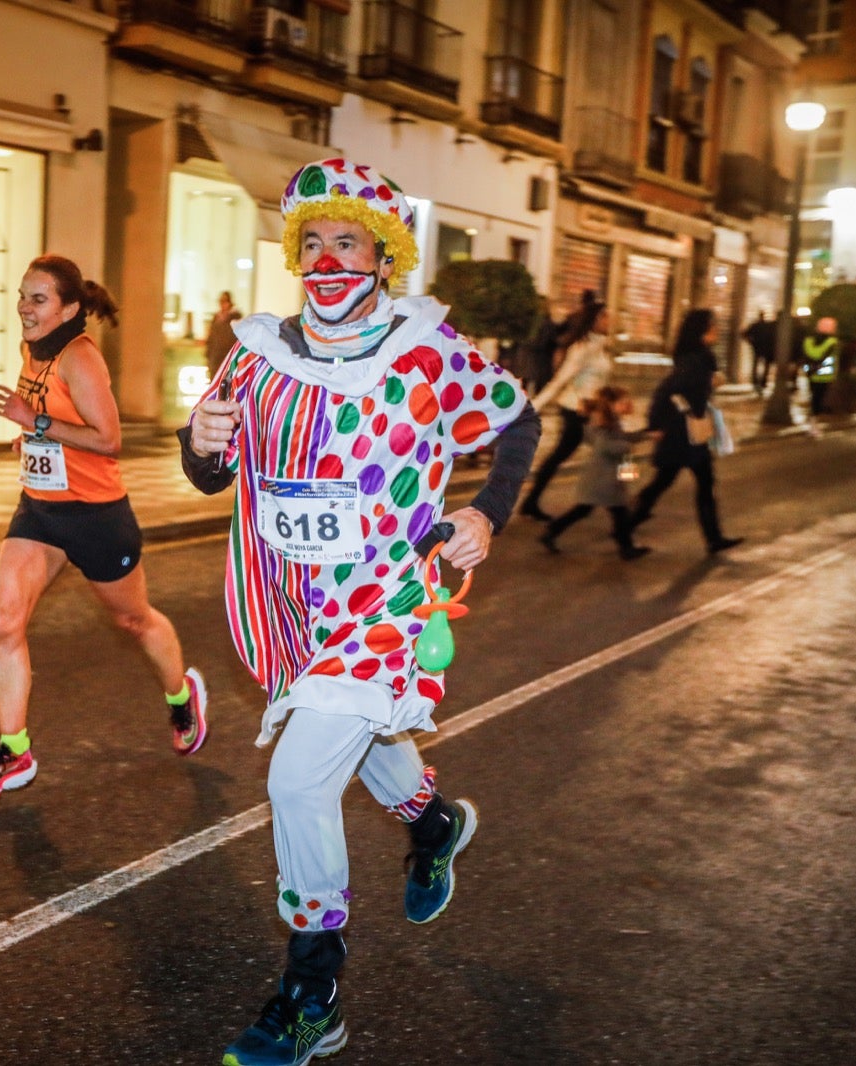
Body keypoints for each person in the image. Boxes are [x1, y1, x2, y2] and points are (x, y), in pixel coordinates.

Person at [182, 158, 539, 1066]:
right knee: (372, 738)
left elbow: (517, 420)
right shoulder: (258, 350)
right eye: (313, 242)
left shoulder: (423, 349)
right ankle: (432, 825)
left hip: (385, 597)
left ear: (383, 257)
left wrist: (484, 512)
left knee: (300, 780)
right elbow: (214, 471)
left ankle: (313, 990)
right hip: (295, 604)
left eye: (347, 242)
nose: (327, 258)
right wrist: (201, 444)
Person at [0, 254, 208, 799]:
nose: (25, 307)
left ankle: (180, 695)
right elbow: (49, 423)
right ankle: (15, 749)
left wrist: (36, 422)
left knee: (134, 620)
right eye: (23, 296)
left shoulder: (81, 357)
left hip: (97, 517)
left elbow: (108, 439)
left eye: (38, 299)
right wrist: (30, 441)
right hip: (41, 510)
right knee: (4, 622)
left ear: (69, 308)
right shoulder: (35, 348)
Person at [629, 308, 743, 555]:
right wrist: (655, 425)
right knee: (666, 482)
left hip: (691, 432)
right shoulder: (695, 361)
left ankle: (714, 538)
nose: (717, 329)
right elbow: (665, 391)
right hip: (679, 433)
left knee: (695, 482)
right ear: (701, 331)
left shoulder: (701, 359)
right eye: (712, 325)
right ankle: (626, 524)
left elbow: (696, 387)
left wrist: (709, 382)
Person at [518, 296, 612, 521]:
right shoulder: (582, 348)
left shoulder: (600, 347)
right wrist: (532, 408)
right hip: (577, 411)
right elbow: (560, 381)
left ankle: (531, 501)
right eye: (606, 316)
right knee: (613, 450)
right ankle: (622, 500)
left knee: (611, 450)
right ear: (595, 320)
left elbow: (600, 382)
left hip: (595, 411)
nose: (610, 321)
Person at [537, 385, 656, 561]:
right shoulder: (604, 423)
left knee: (587, 510)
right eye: (623, 402)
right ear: (612, 404)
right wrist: (626, 447)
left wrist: (645, 434)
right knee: (617, 512)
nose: (628, 404)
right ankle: (626, 548)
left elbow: (622, 438)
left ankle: (551, 532)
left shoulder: (611, 421)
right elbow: (605, 446)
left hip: (605, 477)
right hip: (603, 479)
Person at [802, 315, 839, 417]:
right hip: (824, 375)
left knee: (814, 396)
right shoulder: (832, 342)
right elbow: (820, 355)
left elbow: (807, 354)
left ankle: (813, 418)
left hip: (810, 372)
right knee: (818, 398)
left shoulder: (808, 340)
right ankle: (814, 419)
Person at [205, 290, 243, 380]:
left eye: (225, 301)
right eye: (221, 301)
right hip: (215, 359)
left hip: (228, 357)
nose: (222, 304)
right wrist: (208, 356)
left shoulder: (236, 318)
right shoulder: (216, 317)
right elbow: (211, 339)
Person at [741, 311, 777, 394]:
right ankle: (762, 383)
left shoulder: (756, 325)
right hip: (765, 350)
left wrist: (751, 342)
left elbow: (744, 334)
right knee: (765, 367)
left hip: (758, 349)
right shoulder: (766, 326)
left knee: (757, 366)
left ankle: (756, 382)